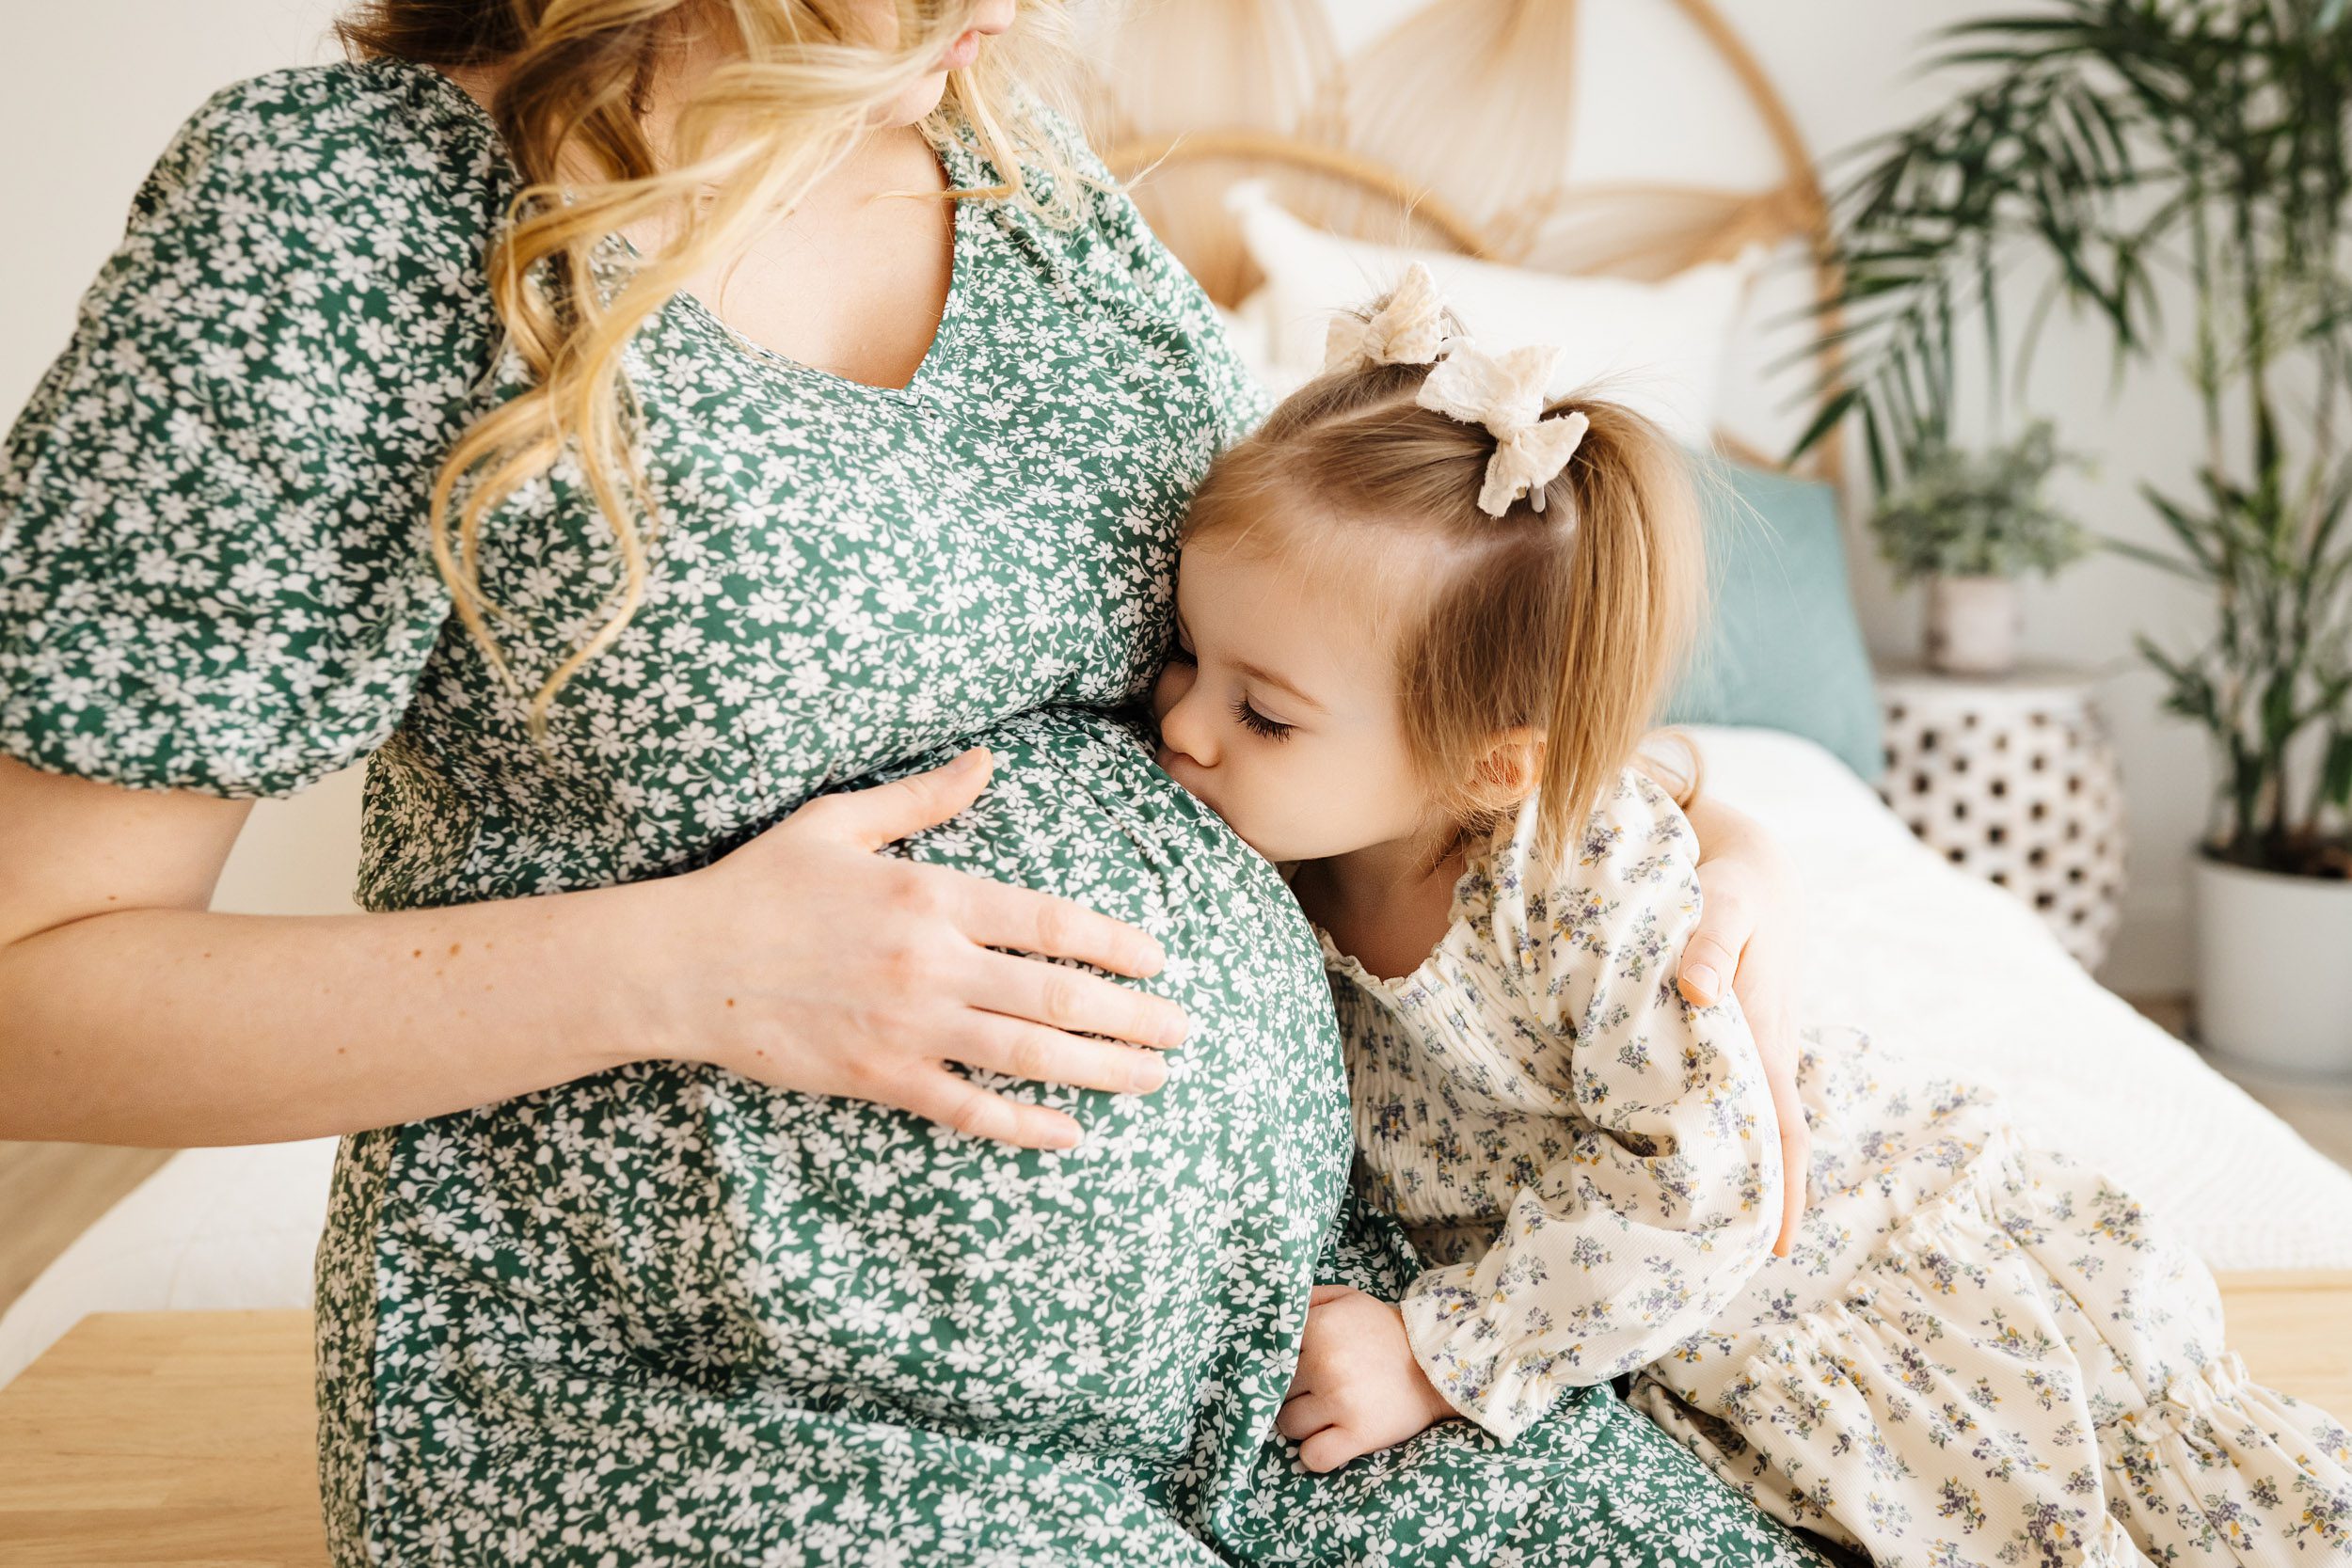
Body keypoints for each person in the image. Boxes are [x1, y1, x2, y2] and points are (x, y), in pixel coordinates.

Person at [0, 5, 1824, 1562]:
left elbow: (1328, 655)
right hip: (710, 1398)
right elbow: (31, 997)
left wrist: (1651, 820)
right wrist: (683, 969)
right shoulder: (341, 214)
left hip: (1288, 1349)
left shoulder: (998, 141)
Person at [1152, 264, 2352, 1566]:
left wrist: (1442, 1355)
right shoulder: (1286, 836)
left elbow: (1711, 1180)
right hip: (1652, 1293)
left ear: (1494, 768)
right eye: (1183, 654)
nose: (1182, 725)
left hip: (1843, 1259)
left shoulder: (1570, 888)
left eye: (1261, 712)